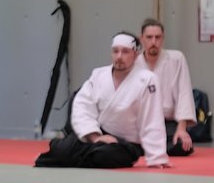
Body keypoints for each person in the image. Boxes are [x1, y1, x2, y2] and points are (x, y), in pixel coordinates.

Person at [35, 32, 169, 169]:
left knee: (103, 155)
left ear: (136, 54)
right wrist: (95, 137)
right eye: (115, 51)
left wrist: (156, 157)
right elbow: (82, 107)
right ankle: (73, 154)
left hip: (125, 144)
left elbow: (152, 118)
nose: (119, 57)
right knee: (63, 149)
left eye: (125, 52)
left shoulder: (147, 79)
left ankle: (71, 157)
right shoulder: (99, 75)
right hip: (96, 134)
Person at [139, 18, 195, 156]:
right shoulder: (134, 62)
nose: (153, 42)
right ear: (141, 39)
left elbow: (184, 93)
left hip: (167, 123)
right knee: (123, 142)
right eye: (149, 37)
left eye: (157, 37)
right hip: (141, 123)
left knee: (181, 146)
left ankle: (146, 147)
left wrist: (181, 129)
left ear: (163, 38)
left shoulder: (176, 59)